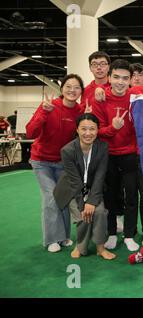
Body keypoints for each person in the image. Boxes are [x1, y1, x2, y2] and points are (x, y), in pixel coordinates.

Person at [26, 74, 84, 252]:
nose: (72, 90)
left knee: (62, 199)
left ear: (81, 91)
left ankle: (64, 236)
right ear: (61, 89)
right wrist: (43, 112)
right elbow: (30, 132)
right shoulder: (49, 106)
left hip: (62, 162)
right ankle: (52, 239)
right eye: (68, 86)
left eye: (76, 87)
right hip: (41, 161)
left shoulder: (80, 111)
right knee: (51, 197)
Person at [91, 59, 140, 251]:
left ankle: (129, 235)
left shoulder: (136, 97)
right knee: (110, 197)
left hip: (129, 155)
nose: (120, 82)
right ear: (109, 78)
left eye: (125, 78)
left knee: (131, 198)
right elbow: (97, 131)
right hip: (108, 156)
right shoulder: (100, 99)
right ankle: (111, 233)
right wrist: (114, 128)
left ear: (130, 80)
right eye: (117, 77)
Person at [53, 113, 115, 260]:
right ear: (77, 130)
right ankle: (80, 246)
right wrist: (84, 204)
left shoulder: (103, 147)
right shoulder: (67, 150)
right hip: (72, 190)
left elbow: (100, 176)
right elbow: (75, 181)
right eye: (84, 129)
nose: (88, 133)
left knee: (99, 212)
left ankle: (100, 247)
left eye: (92, 129)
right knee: (83, 215)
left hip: (94, 188)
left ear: (98, 130)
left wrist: (92, 202)